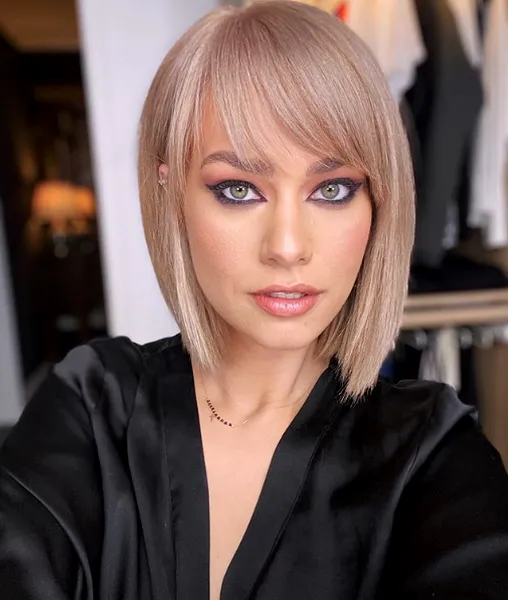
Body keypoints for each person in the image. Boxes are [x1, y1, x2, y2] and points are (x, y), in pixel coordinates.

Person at [1, 2, 507, 599]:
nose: (287, 247)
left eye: (332, 189)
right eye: (239, 189)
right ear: (172, 191)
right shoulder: (93, 405)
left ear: (379, 202)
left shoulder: (432, 454)